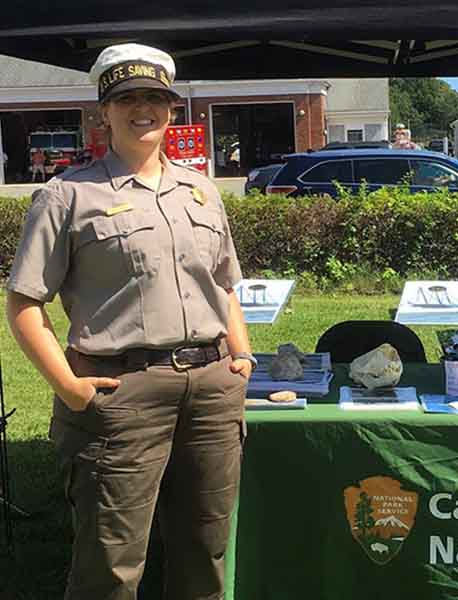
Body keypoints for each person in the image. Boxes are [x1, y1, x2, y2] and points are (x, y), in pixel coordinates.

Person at [6, 43, 255, 600]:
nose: (143, 109)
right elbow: (24, 304)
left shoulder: (201, 191)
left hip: (212, 391)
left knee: (207, 553)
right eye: (128, 99)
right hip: (122, 393)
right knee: (110, 567)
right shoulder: (67, 195)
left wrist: (240, 356)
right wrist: (69, 388)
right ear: (104, 111)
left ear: (171, 110)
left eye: (155, 99)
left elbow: (223, 282)